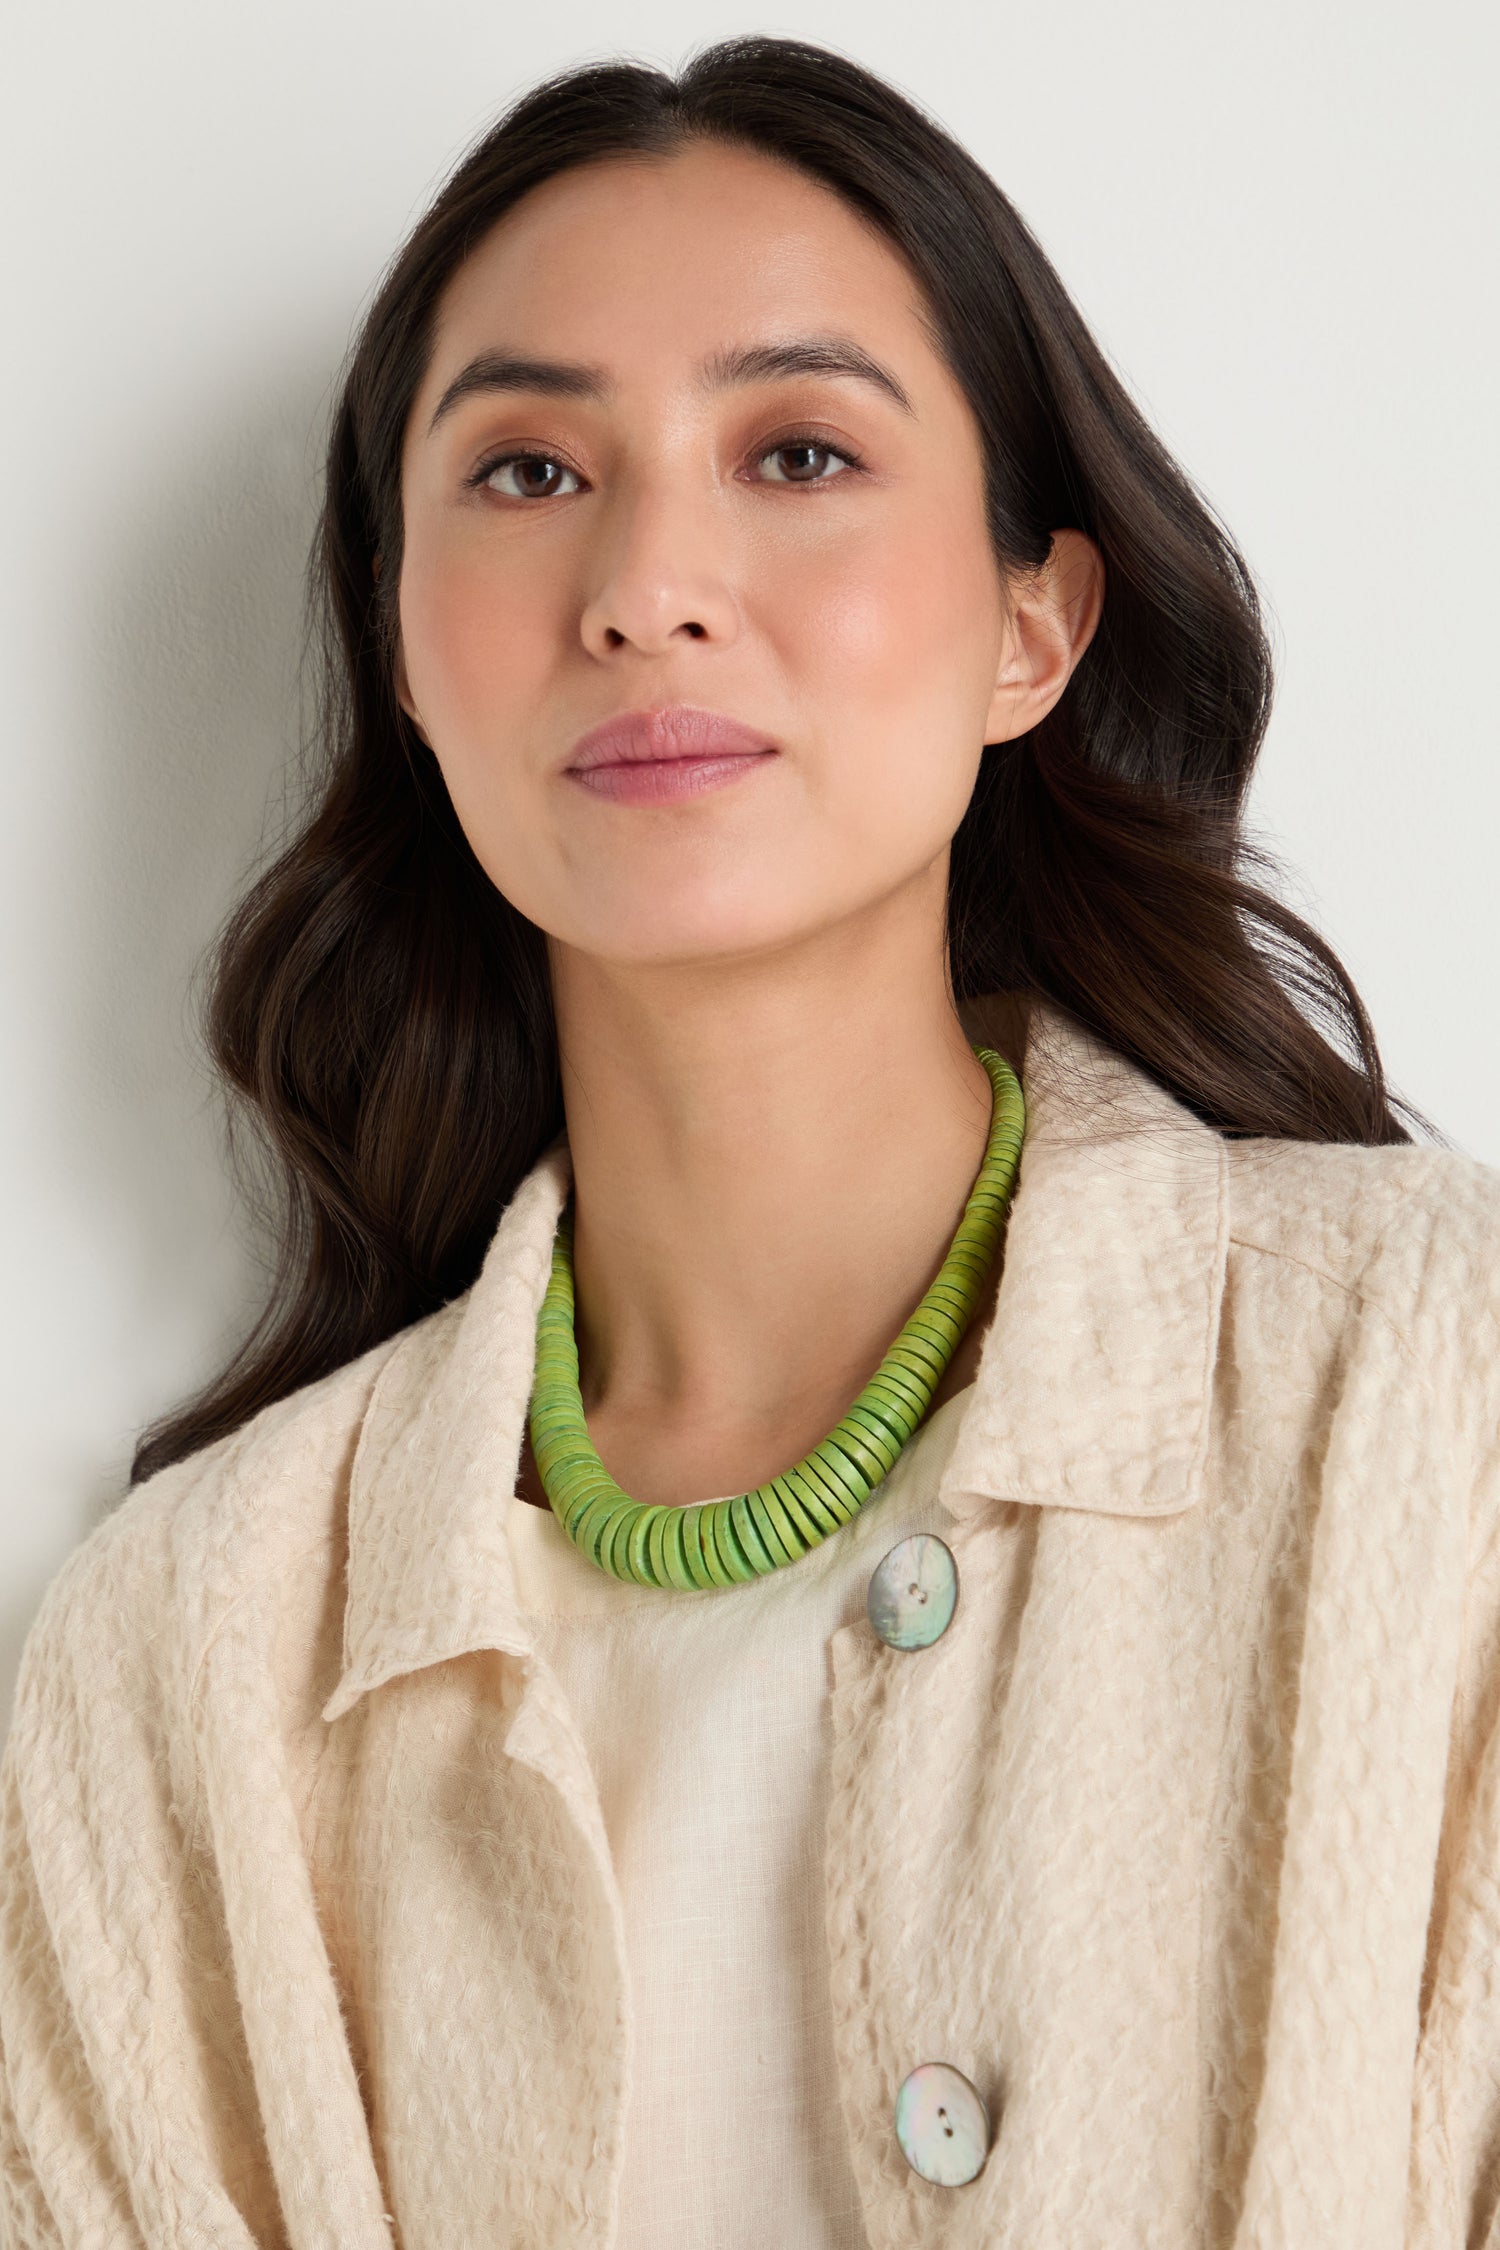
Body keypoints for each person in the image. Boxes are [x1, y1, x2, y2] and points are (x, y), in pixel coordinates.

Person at [1, 32, 1496, 2250]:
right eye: (525, 472)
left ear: (1033, 624)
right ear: (406, 655)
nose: (647, 585)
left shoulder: (1430, 1388)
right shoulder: (176, 1673)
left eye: (797, 450)